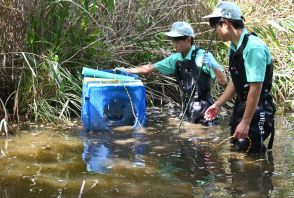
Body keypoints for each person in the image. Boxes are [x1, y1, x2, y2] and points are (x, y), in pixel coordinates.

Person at [117, 21, 227, 126]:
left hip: (205, 110)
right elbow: (150, 68)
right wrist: (127, 71)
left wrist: (214, 66)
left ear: (188, 40)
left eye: (177, 42)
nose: (175, 45)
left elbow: (223, 81)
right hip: (187, 109)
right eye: (173, 41)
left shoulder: (202, 57)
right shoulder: (176, 59)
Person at [203, 2, 276, 152]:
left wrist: (246, 121)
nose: (215, 31)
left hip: (258, 108)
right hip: (242, 105)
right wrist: (218, 104)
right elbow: (237, 82)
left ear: (226, 23)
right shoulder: (234, 46)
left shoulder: (254, 47)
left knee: (250, 156)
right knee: (236, 149)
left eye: (215, 26)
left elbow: (256, 87)